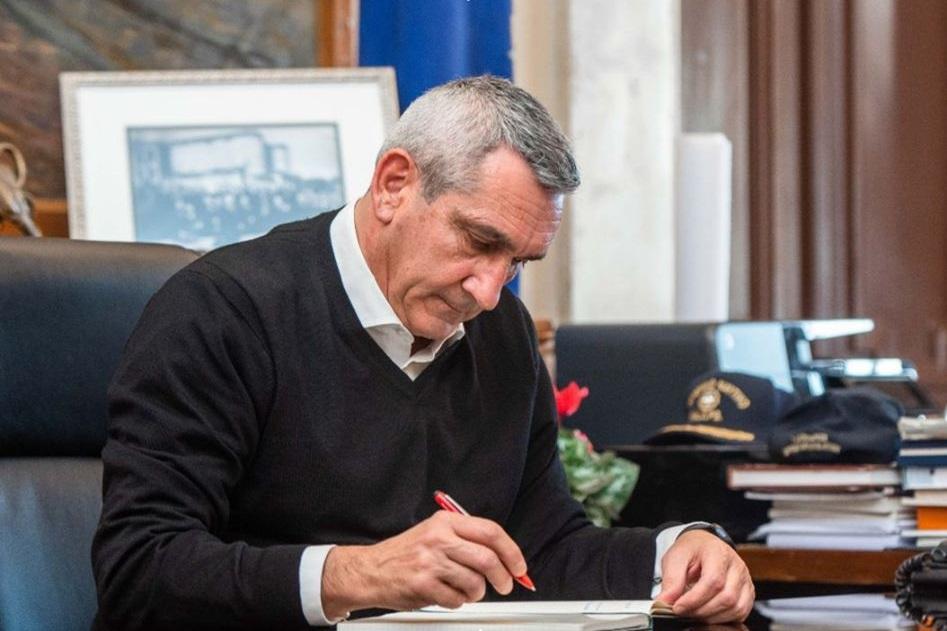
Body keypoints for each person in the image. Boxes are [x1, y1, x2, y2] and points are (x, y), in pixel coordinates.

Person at [92, 75, 754, 630]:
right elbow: (139, 570)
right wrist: (358, 573)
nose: (489, 291)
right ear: (393, 184)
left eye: (517, 262)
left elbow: (542, 550)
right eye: (478, 241)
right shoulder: (221, 311)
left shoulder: (501, 333)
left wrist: (678, 552)